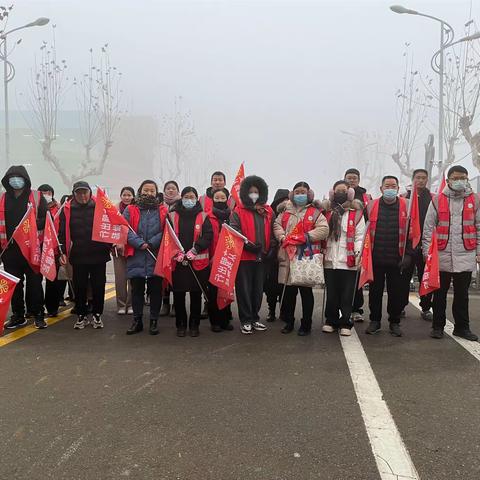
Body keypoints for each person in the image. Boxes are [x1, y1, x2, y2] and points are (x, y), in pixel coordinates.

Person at [423, 165, 480, 341]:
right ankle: (438, 326)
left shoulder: (476, 200)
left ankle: (462, 327)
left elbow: (479, 227)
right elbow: (428, 228)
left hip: (466, 254)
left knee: (462, 295)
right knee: (439, 294)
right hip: (441, 255)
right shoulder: (437, 200)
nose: (459, 181)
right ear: (448, 180)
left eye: (463, 177)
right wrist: (428, 255)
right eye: (455, 178)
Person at [274, 182, 328, 335]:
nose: (300, 195)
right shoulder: (285, 212)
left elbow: (324, 229)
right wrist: (282, 236)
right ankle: (289, 322)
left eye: (303, 192)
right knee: (289, 294)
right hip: (288, 256)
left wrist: (306, 237)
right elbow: (276, 225)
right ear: (292, 194)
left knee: (306, 294)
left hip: (306, 257)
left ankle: (306, 324)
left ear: (309, 194)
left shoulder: (315, 212)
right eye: (297, 192)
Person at [59, 181, 111, 329]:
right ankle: (81, 315)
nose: (82, 196)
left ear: (90, 192)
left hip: (99, 254)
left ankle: (97, 314)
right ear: (74, 194)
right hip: (78, 255)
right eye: (79, 193)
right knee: (79, 286)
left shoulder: (101, 206)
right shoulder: (67, 209)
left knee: (99, 286)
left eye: (85, 192)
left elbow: (112, 224)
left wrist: (113, 244)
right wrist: (61, 251)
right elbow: (62, 233)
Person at [365, 175, 413, 337]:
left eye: (393, 186)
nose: (390, 189)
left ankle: (394, 322)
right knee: (375, 292)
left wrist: (408, 255)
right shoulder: (371, 205)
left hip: (397, 259)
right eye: (387, 186)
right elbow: (364, 232)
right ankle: (375, 321)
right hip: (376, 258)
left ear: (398, 189)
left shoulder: (407, 205)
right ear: (381, 189)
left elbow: (413, 233)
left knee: (396, 293)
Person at [1, 166, 48, 330]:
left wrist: (29, 226)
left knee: (35, 283)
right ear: (7, 180)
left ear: (25, 179)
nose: (15, 180)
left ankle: (38, 314)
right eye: (11, 177)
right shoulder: (2, 198)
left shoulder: (36, 196)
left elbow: (45, 219)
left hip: (31, 249)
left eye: (18, 176)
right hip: (10, 251)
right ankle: (18, 315)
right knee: (14, 285)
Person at [230, 175, 275, 335]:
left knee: (258, 289)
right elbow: (235, 231)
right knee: (244, 289)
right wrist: (248, 246)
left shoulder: (268, 211)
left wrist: (272, 247)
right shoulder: (238, 211)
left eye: (256, 191)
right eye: (250, 192)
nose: (254, 194)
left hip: (262, 258)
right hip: (244, 257)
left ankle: (255, 318)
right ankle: (246, 319)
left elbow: (273, 231)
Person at [321, 181, 365, 336]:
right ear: (333, 192)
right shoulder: (326, 212)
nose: (341, 193)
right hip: (330, 260)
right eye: (338, 190)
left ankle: (346, 322)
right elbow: (321, 233)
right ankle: (331, 320)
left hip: (349, 260)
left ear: (350, 193)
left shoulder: (356, 213)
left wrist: (359, 254)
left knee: (347, 294)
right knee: (332, 293)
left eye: (344, 190)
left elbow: (360, 236)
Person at [123, 180, 167, 335]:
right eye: (146, 190)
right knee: (137, 290)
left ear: (156, 192)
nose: (149, 193)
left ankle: (154, 320)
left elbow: (167, 230)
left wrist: (152, 242)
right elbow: (125, 229)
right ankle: (137, 320)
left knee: (156, 290)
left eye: (152, 191)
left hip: (155, 254)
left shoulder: (163, 210)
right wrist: (139, 243)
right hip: (136, 254)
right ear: (140, 191)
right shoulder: (130, 209)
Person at [170, 186, 213, 337]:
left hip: (197, 263)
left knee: (196, 295)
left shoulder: (203, 216)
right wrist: (176, 252)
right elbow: (167, 237)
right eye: (186, 197)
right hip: (179, 262)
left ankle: (194, 324)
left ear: (196, 199)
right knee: (179, 294)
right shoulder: (172, 215)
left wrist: (196, 249)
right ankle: (180, 324)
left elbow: (208, 236)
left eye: (192, 197)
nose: (189, 200)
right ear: (181, 198)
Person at [400, 169, 434, 320]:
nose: (421, 181)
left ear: (427, 180)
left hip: (425, 246)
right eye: (418, 178)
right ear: (413, 179)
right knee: (403, 279)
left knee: (424, 278)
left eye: (423, 178)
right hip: (407, 247)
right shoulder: (404, 198)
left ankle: (426, 308)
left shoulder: (433, 198)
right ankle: (399, 307)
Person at [344, 167, 371, 323]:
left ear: (359, 180)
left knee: (356, 278)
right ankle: (342, 308)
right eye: (349, 177)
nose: (351, 180)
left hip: (360, 241)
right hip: (342, 243)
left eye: (354, 177)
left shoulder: (366, 197)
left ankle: (356, 308)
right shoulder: (340, 195)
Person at [207, 187, 234, 332]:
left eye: (222, 198)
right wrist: (211, 257)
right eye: (216, 198)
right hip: (212, 258)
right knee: (213, 291)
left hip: (228, 259)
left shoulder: (232, 216)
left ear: (227, 199)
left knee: (226, 290)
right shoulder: (208, 217)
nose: (219, 200)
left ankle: (225, 319)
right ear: (212, 200)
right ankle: (215, 321)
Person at [264, 188, 289, 322]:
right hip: (273, 256)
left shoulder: (294, 214)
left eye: (287, 200)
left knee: (286, 286)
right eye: (282, 201)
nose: (285, 203)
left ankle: (284, 311)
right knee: (271, 286)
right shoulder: (271, 215)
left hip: (288, 256)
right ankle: (271, 310)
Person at [38, 184, 63, 317]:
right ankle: (36, 308)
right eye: (42, 192)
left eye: (47, 192)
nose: (45, 194)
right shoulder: (34, 209)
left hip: (53, 248)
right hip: (38, 248)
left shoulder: (59, 209)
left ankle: (52, 307)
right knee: (36, 280)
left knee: (52, 279)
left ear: (52, 193)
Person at [160, 180, 181, 317]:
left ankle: (176, 305)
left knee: (176, 276)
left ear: (177, 191)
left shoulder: (181, 204)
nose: (170, 191)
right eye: (168, 188)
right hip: (162, 244)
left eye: (173, 188)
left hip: (176, 245)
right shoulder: (159, 204)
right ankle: (165, 304)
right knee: (163, 275)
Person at [113, 186, 134, 315]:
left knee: (133, 278)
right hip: (117, 249)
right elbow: (109, 230)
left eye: (129, 195)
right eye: (124, 195)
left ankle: (131, 304)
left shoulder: (136, 209)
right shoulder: (113, 210)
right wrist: (114, 244)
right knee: (120, 279)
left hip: (132, 248)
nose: (127, 197)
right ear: (121, 196)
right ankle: (121, 304)